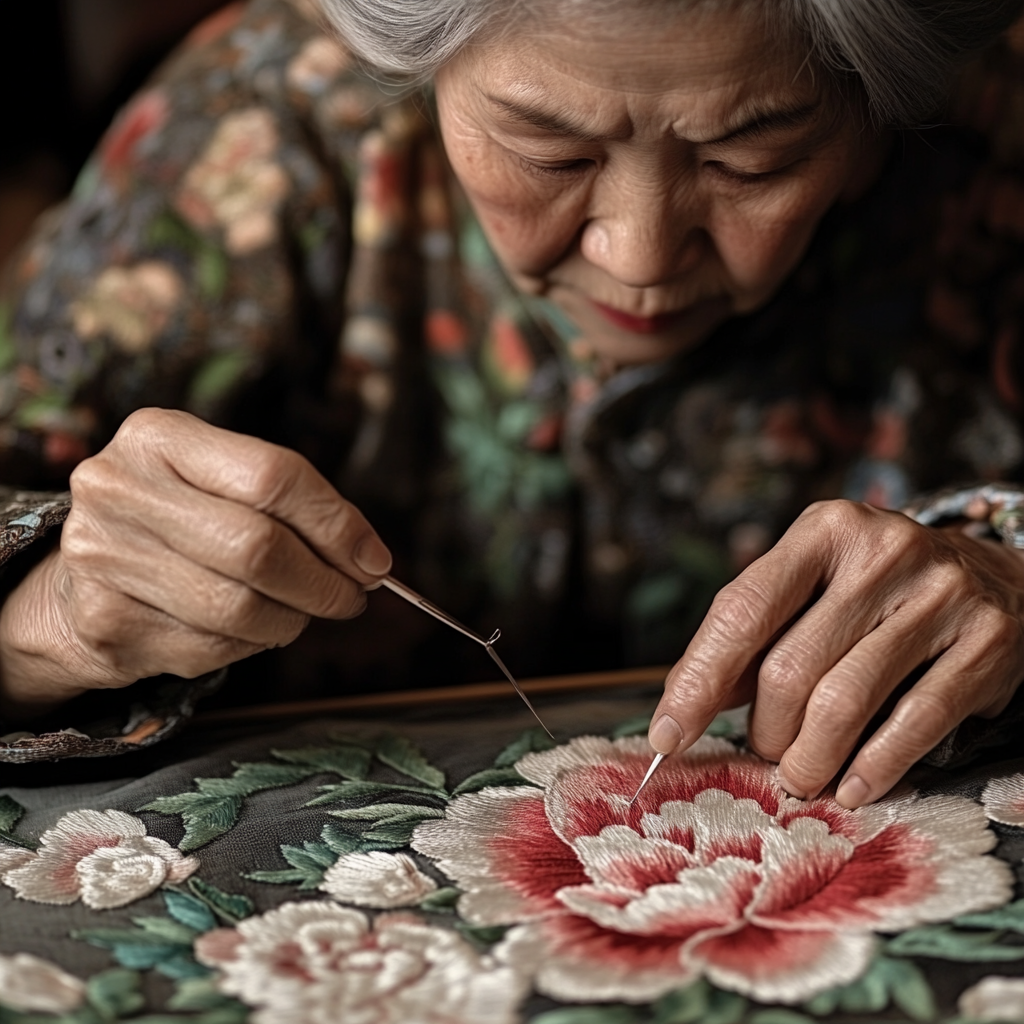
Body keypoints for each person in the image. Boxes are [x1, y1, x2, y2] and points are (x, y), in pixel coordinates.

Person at [0, 0, 1023, 807]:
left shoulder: (991, 141)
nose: (640, 255)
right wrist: (45, 614)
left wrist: (1008, 578)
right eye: (551, 156)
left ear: (872, 104)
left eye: (748, 161)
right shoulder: (261, 117)